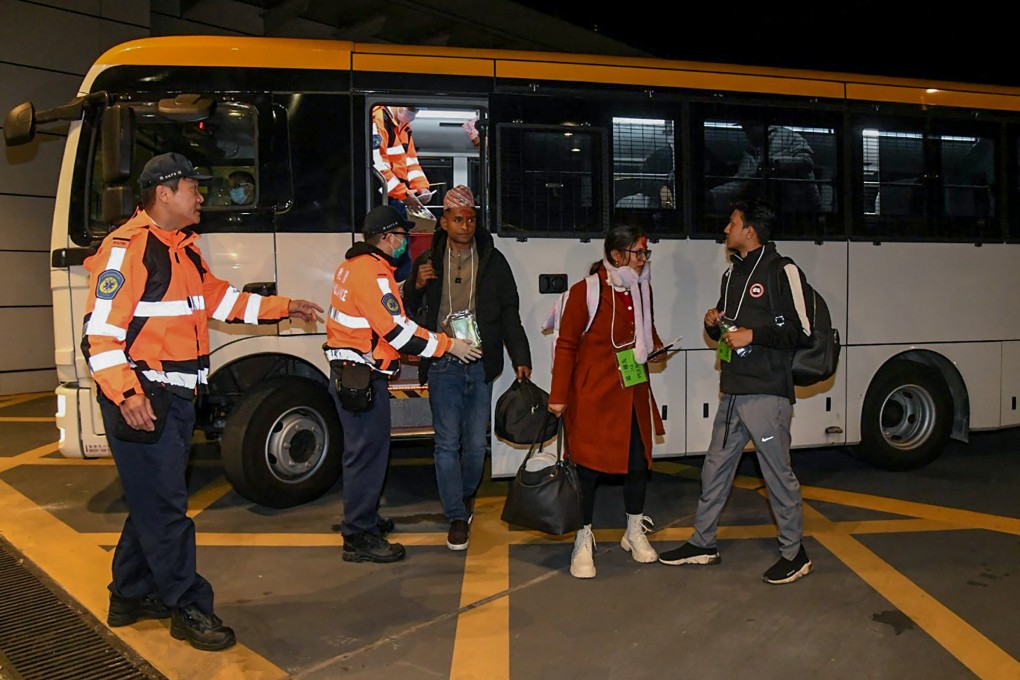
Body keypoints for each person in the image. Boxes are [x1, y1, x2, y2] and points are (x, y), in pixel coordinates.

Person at [81, 152, 324, 651]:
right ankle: (188, 604)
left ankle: (129, 594)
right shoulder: (127, 249)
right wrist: (127, 394)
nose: (201, 196)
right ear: (164, 194)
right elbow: (99, 336)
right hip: (145, 395)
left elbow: (223, 301)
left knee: (152, 501)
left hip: (173, 396)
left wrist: (285, 306)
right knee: (167, 507)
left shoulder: (182, 249)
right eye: (194, 187)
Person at [658, 200, 814, 585]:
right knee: (714, 469)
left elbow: (803, 331)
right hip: (733, 390)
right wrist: (714, 324)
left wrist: (754, 335)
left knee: (776, 474)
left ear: (750, 231)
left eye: (732, 224)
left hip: (765, 393)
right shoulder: (732, 276)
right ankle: (702, 543)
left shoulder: (783, 270)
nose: (725, 229)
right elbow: (729, 330)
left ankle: (795, 554)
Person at [324, 205, 481, 563]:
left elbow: (380, 310)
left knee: (362, 455)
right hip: (361, 377)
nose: (405, 243)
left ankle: (363, 518)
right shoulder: (372, 274)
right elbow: (398, 332)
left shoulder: (352, 266)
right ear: (387, 237)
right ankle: (358, 536)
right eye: (401, 236)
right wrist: (448, 345)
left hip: (352, 373)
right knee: (367, 457)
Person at [403, 186, 532, 551]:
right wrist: (416, 284)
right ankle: (457, 515)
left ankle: (461, 497)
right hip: (442, 359)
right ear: (443, 222)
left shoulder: (493, 260)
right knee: (447, 442)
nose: (465, 225)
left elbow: (510, 312)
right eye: (458, 219)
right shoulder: (428, 260)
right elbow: (409, 308)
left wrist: (520, 357)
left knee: (475, 444)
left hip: (479, 359)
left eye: (471, 218)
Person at [548, 224, 667, 579]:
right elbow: (566, 345)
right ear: (616, 255)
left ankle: (633, 530)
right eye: (638, 253)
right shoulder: (585, 291)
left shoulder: (642, 289)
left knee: (637, 463)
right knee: (586, 470)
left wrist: (657, 348)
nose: (644, 260)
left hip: (632, 393)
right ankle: (583, 537)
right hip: (592, 395)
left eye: (646, 253)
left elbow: (646, 332)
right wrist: (558, 397)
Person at [370, 105, 433, 281]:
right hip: (385, 199)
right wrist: (405, 195)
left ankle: (402, 296)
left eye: (417, 109)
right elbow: (377, 167)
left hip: (397, 199)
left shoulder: (404, 128)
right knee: (393, 255)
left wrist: (422, 187)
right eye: (412, 108)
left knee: (402, 255)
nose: (413, 113)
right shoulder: (378, 118)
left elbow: (411, 163)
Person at [709, 122, 821, 214]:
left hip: (801, 210)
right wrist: (714, 195)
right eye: (745, 130)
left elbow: (807, 162)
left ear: (759, 125)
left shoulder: (788, 137)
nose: (747, 134)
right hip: (772, 211)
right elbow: (741, 181)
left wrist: (774, 164)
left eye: (748, 129)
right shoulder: (751, 152)